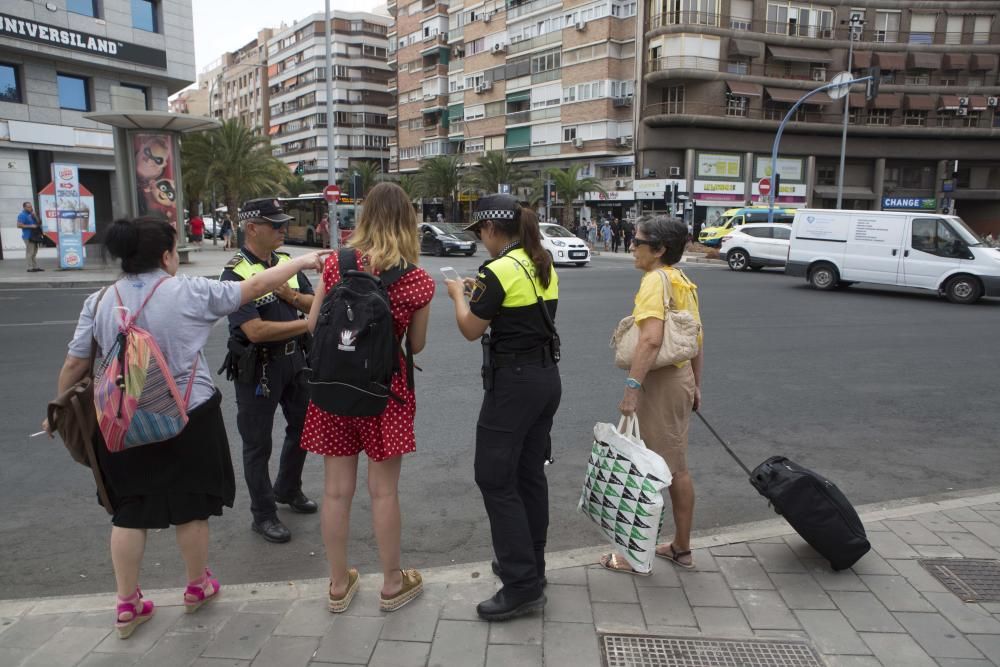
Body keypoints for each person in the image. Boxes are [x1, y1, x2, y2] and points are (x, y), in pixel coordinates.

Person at [44, 217, 327, 639]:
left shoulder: (99, 300)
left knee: (129, 512)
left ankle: (127, 604)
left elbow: (75, 363)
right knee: (192, 508)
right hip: (189, 415)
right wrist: (304, 260)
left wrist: (56, 410)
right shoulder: (189, 291)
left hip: (122, 418)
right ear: (165, 255)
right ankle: (197, 587)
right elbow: (252, 287)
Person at [302, 182, 434, 614]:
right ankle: (393, 584)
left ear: (365, 218)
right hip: (383, 396)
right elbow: (417, 343)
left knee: (336, 492)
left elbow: (311, 326)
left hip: (333, 393)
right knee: (384, 493)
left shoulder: (337, 265)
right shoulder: (416, 280)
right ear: (407, 222)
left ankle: (339, 585)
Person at [444, 196, 561, 621]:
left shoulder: (496, 271)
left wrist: (459, 294)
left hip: (513, 386)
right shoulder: (541, 262)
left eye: (481, 234)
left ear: (493, 230)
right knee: (529, 475)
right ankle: (532, 567)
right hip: (546, 380)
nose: (481, 242)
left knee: (493, 477)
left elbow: (470, 329)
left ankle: (521, 586)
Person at [601, 214, 703, 575]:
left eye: (638, 242)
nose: (631, 246)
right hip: (680, 378)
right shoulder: (683, 281)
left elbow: (651, 339)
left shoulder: (654, 281)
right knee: (675, 467)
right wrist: (695, 384)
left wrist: (631, 388)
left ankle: (634, 556)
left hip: (659, 383)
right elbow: (695, 340)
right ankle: (680, 547)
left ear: (659, 250)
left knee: (649, 470)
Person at [220, 198, 319, 544]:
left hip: (295, 363)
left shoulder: (287, 262)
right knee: (257, 444)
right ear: (252, 228)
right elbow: (255, 331)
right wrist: (307, 323)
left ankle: (287, 488)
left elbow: (314, 299)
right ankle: (263, 514)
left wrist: (294, 301)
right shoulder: (236, 273)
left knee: (304, 429)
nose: (282, 230)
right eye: (275, 225)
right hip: (258, 368)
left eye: (283, 224)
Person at [17, 201, 44, 272]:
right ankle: (30, 268)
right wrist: (30, 226)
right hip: (28, 236)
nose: (30, 208)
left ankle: (35, 267)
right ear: (24, 207)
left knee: (34, 252)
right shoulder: (22, 215)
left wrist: (34, 215)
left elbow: (39, 222)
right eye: (28, 207)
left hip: (35, 236)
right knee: (30, 252)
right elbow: (19, 225)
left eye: (31, 206)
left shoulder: (31, 214)